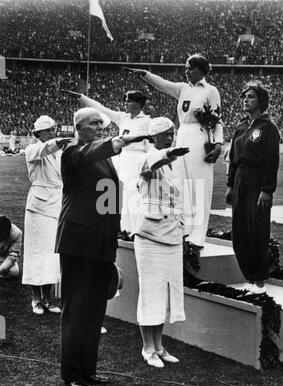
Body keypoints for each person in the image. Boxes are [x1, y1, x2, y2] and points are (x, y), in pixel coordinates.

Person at [55, 107, 148, 386]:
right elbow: (90, 152)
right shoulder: (73, 153)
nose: (100, 127)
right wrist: (120, 142)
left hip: (100, 242)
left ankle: (88, 370)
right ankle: (72, 373)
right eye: (94, 123)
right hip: (78, 243)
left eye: (102, 123)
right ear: (78, 128)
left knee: (95, 310)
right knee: (77, 309)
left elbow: (108, 200)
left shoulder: (103, 157)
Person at [126, 54, 224, 247]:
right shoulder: (182, 88)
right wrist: (144, 74)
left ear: (200, 70)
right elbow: (163, 84)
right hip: (182, 135)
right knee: (183, 184)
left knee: (199, 185)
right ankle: (185, 229)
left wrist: (219, 145)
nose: (186, 71)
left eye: (190, 68)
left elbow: (217, 120)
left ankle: (198, 235)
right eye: (186, 68)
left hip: (200, 136)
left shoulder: (211, 91)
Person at [134, 117, 188, 368]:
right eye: (165, 134)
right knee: (151, 292)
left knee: (166, 293)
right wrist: (167, 152)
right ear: (153, 138)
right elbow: (148, 165)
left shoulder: (173, 164)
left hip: (172, 235)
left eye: (172, 133)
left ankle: (159, 345)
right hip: (150, 237)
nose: (170, 137)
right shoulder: (147, 158)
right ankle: (147, 348)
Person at [63, 89, 152, 235]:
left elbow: (150, 146)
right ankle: (123, 229)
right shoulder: (123, 117)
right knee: (120, 195)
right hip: (122, 158)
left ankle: (137, 230)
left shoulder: (147, 121)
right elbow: (101, 108)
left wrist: (147, 166)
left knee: (135, 195)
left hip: (138, 161)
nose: (125, 103)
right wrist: (82, 97)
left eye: (129, 101)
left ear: (138, 104)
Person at [225, 82, 280, 294]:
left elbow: (271, 161)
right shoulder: (240, 127)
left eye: (251, 97)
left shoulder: (269, 128)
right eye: (244, 97)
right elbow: (233, 159)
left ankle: (259, 278)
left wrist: (267, 190)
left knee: (257, 230)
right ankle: (249, 275)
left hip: (257, 181)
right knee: (239, 233)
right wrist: (230, 185)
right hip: (240, 179)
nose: (245, 100)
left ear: (261, 102)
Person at [22, 116, 71, 315]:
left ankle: (48, 299)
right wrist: (57, 143)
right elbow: (45, 148)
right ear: (38, 134)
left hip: (57, 205)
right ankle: (36, 299)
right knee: (36, 253)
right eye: (48, 130)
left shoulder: (59, 153)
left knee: (52, 254)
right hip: (38, 207)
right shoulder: (32, 149)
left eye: (53, 129)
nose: (52, 132)